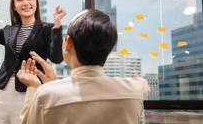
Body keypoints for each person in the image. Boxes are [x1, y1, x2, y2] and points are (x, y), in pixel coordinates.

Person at [17, 9, 150, 124]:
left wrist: (34, 87)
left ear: (68, 43)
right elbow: (142, 84)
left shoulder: (45, 95)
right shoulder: (134, 92)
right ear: (109, 50)